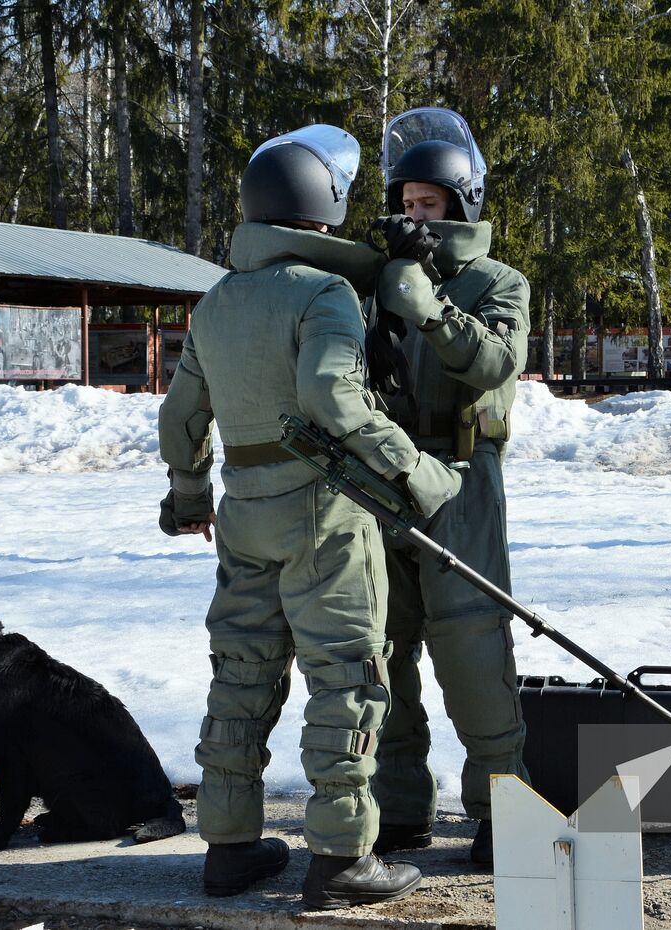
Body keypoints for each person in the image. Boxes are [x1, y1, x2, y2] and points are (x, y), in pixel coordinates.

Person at [157, 125, 462, 909]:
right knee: (345, 678)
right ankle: (339, 857)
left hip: (243, 510)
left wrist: (189, 498)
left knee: (242, 672)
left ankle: (227, 846)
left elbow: (182, 415)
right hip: (324, 512)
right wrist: (422, 473)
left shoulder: (218, 300)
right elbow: (336, 400)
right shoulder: (323, 292)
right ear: (326, 204)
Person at [365, 107, 532, 867]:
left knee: (470, 648)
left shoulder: (497, 281)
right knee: (384, 646)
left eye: (428, 204)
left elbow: (494, 364)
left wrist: (424, 301)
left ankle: (502, 804)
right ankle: (400, 806)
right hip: (381, 475)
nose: (412, 215)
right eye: (405, 203)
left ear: (461, 205)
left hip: (463, 480)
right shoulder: (375, 278)